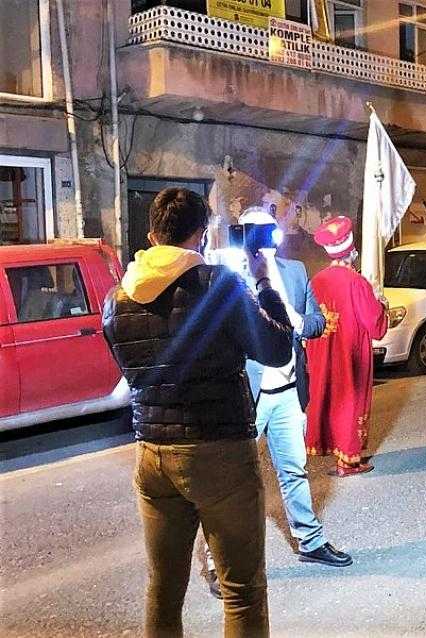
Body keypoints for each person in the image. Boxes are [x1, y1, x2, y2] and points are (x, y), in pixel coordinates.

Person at [102, 188, 293, 638]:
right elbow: (277, 348)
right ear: (202, 234)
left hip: (151, 454)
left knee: (163, 589)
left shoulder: (117, 297)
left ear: (152, 235)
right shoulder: (218, 285)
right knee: (242, 591)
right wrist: (264, 282)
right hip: (218, 451)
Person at [200, 209, 352, 600]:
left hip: (287, 392)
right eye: (253, 233)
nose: (262, 240)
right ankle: (218, 561)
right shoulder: (227, 276)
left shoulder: (296, 272)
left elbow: (318, 323)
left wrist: (296, 321)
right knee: (230, 482)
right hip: (245, 394)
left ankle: (310, 541)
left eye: (268, 232)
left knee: (294, 470)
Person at [305, 216, 388, 477]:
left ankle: (335, 451)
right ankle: (348, 461)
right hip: (349, 352)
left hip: (321, 352)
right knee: (350, 401)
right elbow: (375, 324)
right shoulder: (357, 282)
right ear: (352, 250)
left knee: (329, 399)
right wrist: (381, 304)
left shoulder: (316, 280)